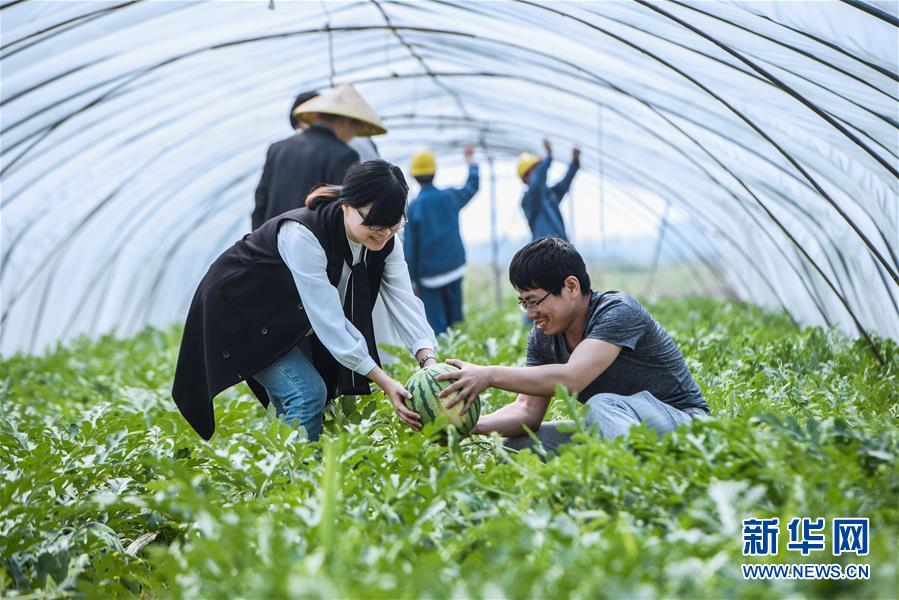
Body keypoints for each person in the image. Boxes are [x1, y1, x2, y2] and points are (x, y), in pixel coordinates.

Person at [173, 161, 438, 442]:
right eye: (374, 224)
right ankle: (295, 482)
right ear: (347, 205)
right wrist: (385, 383)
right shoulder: (303, 234)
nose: (384, 234)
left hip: (287, 318)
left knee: (303, 400)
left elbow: (404, 301)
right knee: (306, 393)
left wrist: (428, 360)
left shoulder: (387, 243)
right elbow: (329, 321)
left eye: (394, 225)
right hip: (242, 312)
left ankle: (286, 470)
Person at [436, 237, 710, 454]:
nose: (531, 314)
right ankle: (616, 461)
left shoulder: (618, 311)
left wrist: (489, 375)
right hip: (616, 428)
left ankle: (632, 481)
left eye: (534, 301)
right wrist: (466, 426)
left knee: (602, 406)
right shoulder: (543, 336)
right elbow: (527, 411)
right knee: (516, 447)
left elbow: (573, 378)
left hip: (685, 424)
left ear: (571, 286)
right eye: (523, 303)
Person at [252, 83, 386, 229]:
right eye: (355, 128)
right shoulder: (343, 155)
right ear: (345, 120)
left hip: (272, 241)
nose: (353, 135)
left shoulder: (278, 148)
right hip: (310, 244)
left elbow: (261, 202)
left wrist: (261, 242)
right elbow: (341, 211)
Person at [404, 145, 479, 335]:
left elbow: (410, 249)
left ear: (414, 175)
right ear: (435, 171)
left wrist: (412, 281)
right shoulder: (449, 197)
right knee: (456, 324)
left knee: (437, 328)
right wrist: (471, 161)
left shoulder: (414, 207)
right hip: (454, 268)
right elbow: (472, 186)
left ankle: (444, 361)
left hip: (429, 277)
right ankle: (463, 361)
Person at [518, 138, 580, 241]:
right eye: (535, 169)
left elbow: (564, 184)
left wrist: (574, 163)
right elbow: (537, 184)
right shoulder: (528, 200)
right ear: (526, 177)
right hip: (544, 252)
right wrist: (548, 157)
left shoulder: (549, 194)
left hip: (561, 248)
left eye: (539, 167)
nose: (540, 171)